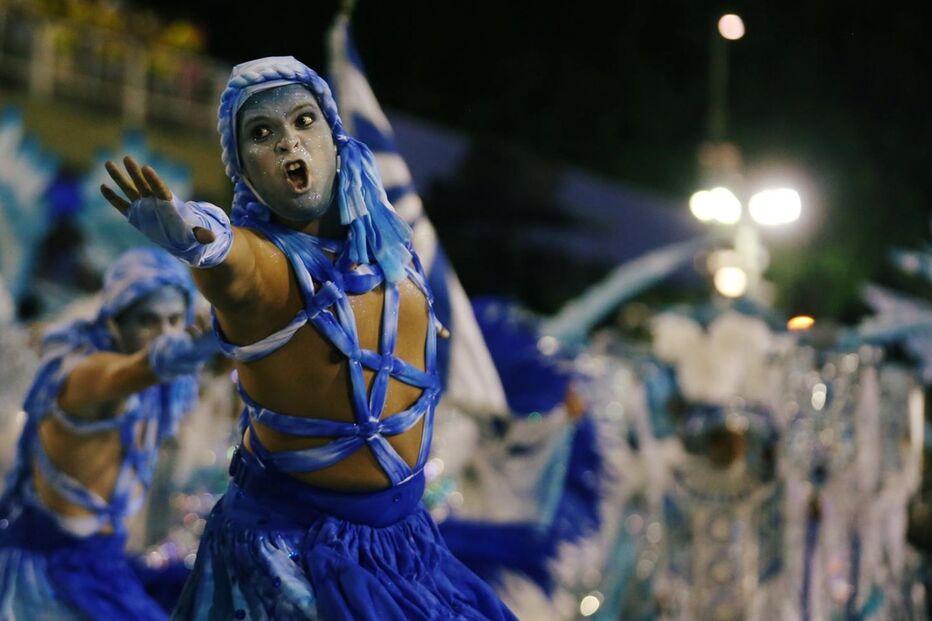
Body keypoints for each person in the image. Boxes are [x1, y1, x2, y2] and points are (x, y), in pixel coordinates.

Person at [100, 56, 516, 620]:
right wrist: (193, 235)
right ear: (243, 170)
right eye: (262, 133)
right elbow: (228, 255)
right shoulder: (266, 267)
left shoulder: (387, 241)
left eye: (303, 121)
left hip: (407, 547)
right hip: (294, 560)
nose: (287, 143)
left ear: (335, 135)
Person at [0, 247, 218, 620]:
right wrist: (182, 352)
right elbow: (131, 371)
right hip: (47, 582)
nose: (163, 334)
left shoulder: (153, 392)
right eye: (148, 321)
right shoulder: (89, 374)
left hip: (99, 566)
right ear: (114, 323)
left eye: (173, 320)